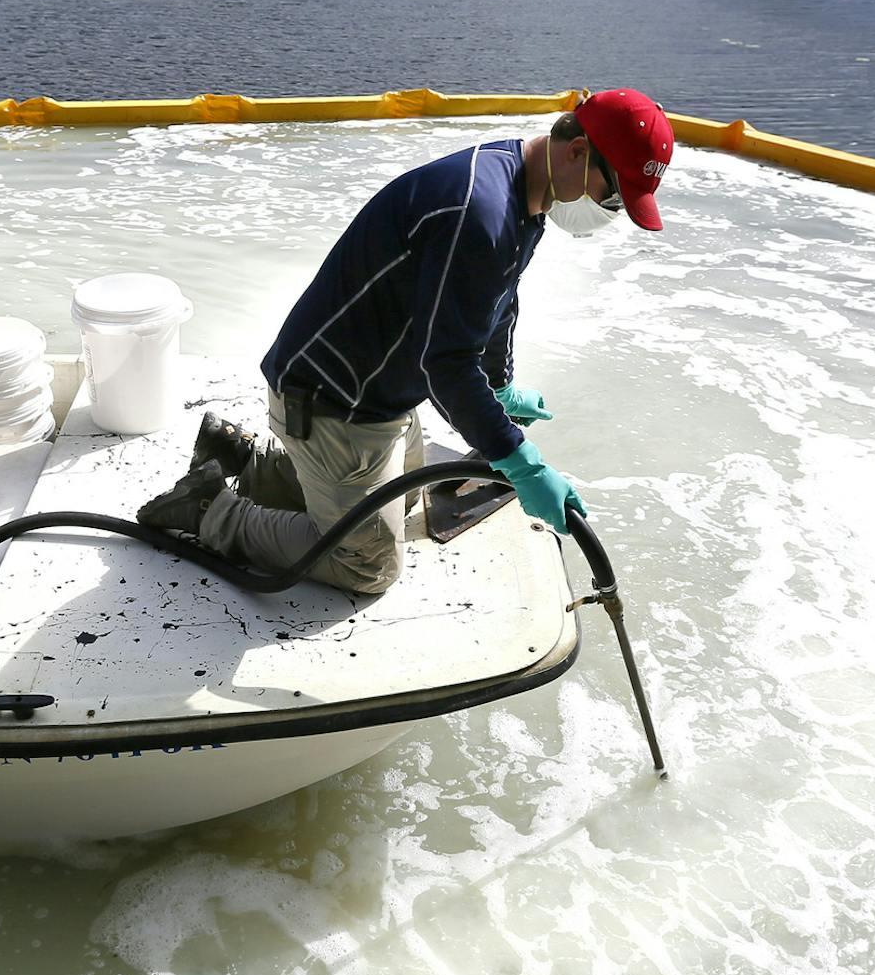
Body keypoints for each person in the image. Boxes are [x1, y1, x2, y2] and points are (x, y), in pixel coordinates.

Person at [137, 88, 676, 595]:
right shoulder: (479, 213)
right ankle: (207, 508)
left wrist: (500, 387)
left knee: (410, 494)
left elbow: (498, 302)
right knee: (368, 563)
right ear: (578, 152)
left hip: (377, 389)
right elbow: (446, 366)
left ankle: (242, 457)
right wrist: (519, 459)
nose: (609, 211)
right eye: (612, 194)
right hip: (334, 399)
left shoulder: (527, 190)